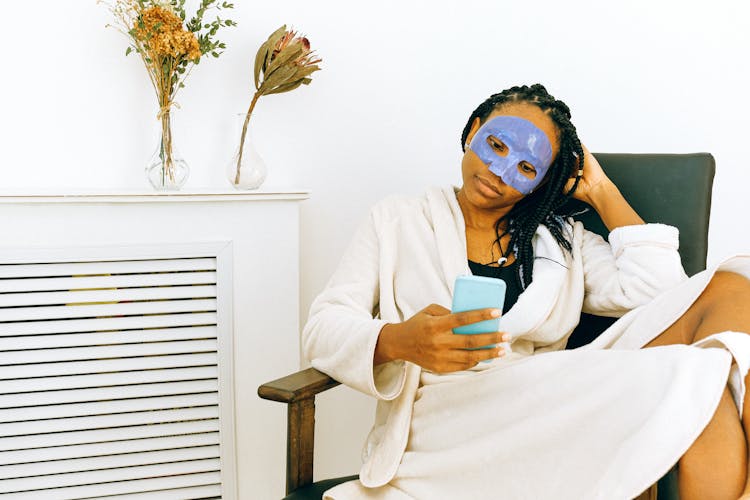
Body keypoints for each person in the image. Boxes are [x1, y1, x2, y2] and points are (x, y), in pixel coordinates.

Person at [302, 84, 750, 500]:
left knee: (732, 292)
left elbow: (663, 293)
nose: (499, 172)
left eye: (527, 167)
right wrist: (401, 340)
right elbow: (322, 327)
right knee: (698, 377)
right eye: (496, 145)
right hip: (444, 420)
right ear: (474, 131)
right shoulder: (397, 220)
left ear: (542, 181)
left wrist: (600, 189)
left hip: (544, 405)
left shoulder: (561, 240)